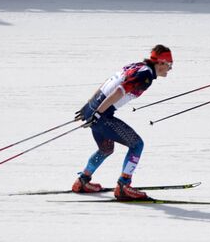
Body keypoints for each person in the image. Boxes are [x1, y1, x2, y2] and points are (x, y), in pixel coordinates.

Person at [72, 45, 173, 200]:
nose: (170, 69)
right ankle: (123, 186)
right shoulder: (145, 75)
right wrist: (98, 113)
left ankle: (82, 181)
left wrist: (89, 106)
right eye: (169, 64)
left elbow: (108, 83)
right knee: (137, 145)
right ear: (160, 63)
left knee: (106, 149)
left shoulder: (137, 66)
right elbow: (119, 91)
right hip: (102, 115)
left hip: (94, 110)